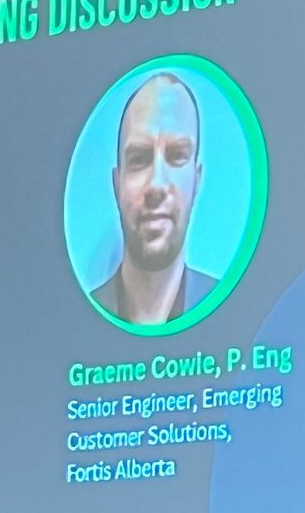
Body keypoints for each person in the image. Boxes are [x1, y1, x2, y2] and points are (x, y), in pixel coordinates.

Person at [92, 71, 217, 325]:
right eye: (139, 159)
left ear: (196, 180)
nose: (157, 184)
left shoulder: (234, 311)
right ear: (116, 184)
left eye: (176, 156)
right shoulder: (76, 319)